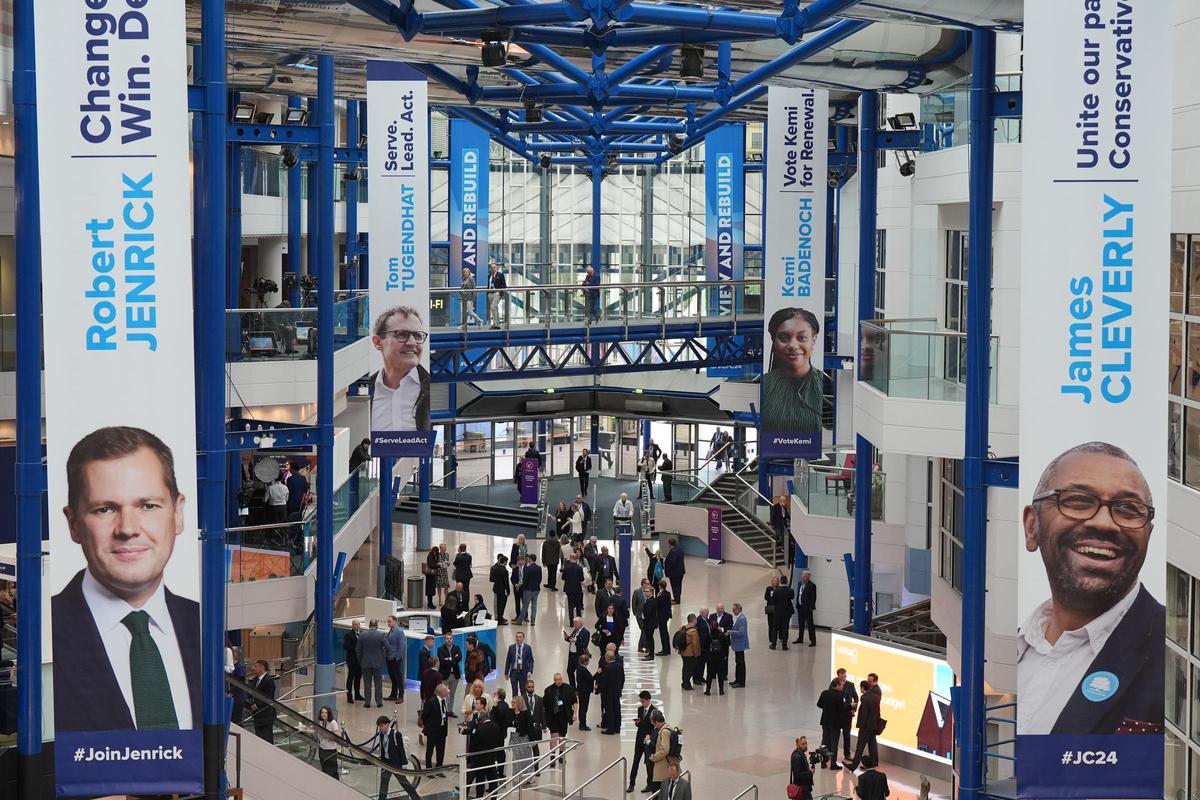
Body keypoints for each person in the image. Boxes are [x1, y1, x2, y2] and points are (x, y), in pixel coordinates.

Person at [51, 426, 201, 732]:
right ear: (73, 524)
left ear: (177, 514)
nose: (128, 528)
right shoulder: (45, 630)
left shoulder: (202, 624)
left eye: (148, 506)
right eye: (105, 509)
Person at [1017, 441, 1165, 735]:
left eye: (1128, 509)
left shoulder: (1176, 657)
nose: (1104, 523)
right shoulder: (1004, 652)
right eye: (1078, 501)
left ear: (1148, 534)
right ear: (1032, 526)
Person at [369, 305, 432, 433]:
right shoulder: (364, 392)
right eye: (402, 334)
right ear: (378, 342)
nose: (412, 342)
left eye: (418, 336)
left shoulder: (431, 389)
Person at [762, 307, 823, 434]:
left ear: (814, 340)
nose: (793, 346)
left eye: (802, 337)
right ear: (774, 341)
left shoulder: (827, 385)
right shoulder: (764, 385)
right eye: (783, 337)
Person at [371, 716, 420, 800]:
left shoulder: (396, 734)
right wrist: (380, 761)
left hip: (396, 764)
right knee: (384, 783)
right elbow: (383, 749)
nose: (380, 728)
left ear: (387, 724)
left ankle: (416, 798)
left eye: (381, 726)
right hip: (386, 763)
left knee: (404, 783)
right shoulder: (381, 735)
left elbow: (401, 749)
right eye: (379, 726)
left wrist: (404, 764)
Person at [846, 674, 882, 771]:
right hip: (873, 726)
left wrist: (861, 726)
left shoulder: (865, 698)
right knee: (872, 744)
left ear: (862, 688)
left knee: (860, 747)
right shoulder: (875, 696)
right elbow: (877, 712)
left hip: (865, 727)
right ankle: (873, 763)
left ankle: (853, 766)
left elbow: (864, 714)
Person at [627, 690, 657, 793]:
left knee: (649, 764)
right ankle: (631, 784)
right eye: (641, 701)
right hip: (639, 740)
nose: (642, 703)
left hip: (648, 742)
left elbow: (656, 727)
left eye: (643, 701)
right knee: (635, 761)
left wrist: (650, 738)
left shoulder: (654, 711)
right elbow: (641, 724)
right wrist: (637, 723)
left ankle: (650, 785)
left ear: (648, 700)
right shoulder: (640, 709)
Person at [818, 677, 848, 769]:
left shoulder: (824, 693)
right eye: (842, 685)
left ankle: (823, 762)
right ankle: (833, 764)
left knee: (824, 742)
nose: (843, 686)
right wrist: (850, 707)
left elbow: (819, 704)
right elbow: (842, 709)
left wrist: (827, 708)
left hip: (825, 721)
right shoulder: (839, 696)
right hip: (835, 723)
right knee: (834, 743)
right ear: (837, 685)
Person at [543, 672, 578, 750]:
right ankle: (552, 754)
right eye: (557, 680)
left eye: (560, 679)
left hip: (564, 716)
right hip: (553, 717)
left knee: (562, 736)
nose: (559, 681)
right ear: (554, 680)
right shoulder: (548, 690)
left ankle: (561, 754)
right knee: (554, 736)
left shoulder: (569, 688)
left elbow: (574, 701)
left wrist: (575, 713)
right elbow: (544, 705)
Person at [419, 682, 450, 769]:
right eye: (445, 690)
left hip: (442, 729)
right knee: (430, 750)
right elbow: (424, 715)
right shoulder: (431, 702)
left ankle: (439, 767)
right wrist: (428, 726)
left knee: (441, 750)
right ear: (440, 692)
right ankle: (428, 768)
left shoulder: (445, 700)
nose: (447, 691)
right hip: (433, 730)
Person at [357, 619, 387, 708]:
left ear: (369, 625)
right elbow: (387, 647)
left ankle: (367, 702)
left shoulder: (362, 635)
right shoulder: (381, 635)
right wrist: (383, 658)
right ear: (376, 625)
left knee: (367, 683)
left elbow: (358, 650)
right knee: (378, 683)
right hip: (378, 664)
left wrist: (361, 661)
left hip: (365, 663)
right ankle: (379, 702)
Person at [647, 712, 681, 791]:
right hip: (669, 763)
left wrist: (654, 757)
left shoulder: (664, 732)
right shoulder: (669, 728)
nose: (652, 724)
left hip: (663, 767)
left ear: (656, 721)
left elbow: (664, 750)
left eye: (652, 722)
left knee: (658, 792)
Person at [247, 659, 277, 743]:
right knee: (259, 738)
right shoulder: (255, 680)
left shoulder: (269, 681)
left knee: (266, 738)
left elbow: (269, 698)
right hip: (257, 715)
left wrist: (257, 705)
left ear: (262, 668)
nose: (253, 668)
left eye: (256, 667)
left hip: (266, 715)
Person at [597, 651, 625, 734]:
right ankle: (617, 727)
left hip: (608, 693)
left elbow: (604, 682)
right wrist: (620, 688)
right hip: (617, 692)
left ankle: (611, 729)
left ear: (606, 658)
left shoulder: (606, 668)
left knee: (609, 711)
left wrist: (599, 690)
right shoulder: (620, 666)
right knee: (617, 710)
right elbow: (622, 679)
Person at [509, 695, 536, 777]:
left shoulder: (526, 713)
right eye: (512, 702)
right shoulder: (510, 713)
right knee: (516, 758)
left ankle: (529, 777)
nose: (512, 704)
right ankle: (517, 776)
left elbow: (530, 727)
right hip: (514, 739)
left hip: (524, 738)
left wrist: (532, 740)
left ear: (519, 703)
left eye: (514, 702)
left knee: (526, 758)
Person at [704, 613, 730, 695]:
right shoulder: (722, 635)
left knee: (709, 674)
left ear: (710, 627)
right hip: (720, 657)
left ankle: (708, 690)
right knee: (720, 674)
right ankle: (721, 690)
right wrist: (725, 655)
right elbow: (726, 646)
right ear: (718, 626)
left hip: (711, 657)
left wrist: (706, 655)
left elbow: (705, 646)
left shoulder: (708, 635)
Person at [837, 667, 860, 762]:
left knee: (847, 735)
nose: (844, 678)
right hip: (837, 715)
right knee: (835, 735)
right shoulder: (835, 683)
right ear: (838, 676)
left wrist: (853, 709)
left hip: (847, 715)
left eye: (845, 676)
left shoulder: (850, 685)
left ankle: (847, 754)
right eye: (842, 676)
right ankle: (832, 754)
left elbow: (856, 698)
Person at [505, 630, 534, 699]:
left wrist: (530, 671)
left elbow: (531, 660)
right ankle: (515, 704)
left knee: (523, 691)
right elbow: (508, 661)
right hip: (514, 672)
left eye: (520, 637)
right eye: (517, 637)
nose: (518, 638)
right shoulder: (511, 647)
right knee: (514, 691)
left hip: (523, 672)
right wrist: (506, 673)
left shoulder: (527, 648)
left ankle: (523, 704)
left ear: (523, 638)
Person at [385, 615, 407, 703]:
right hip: (389, 657)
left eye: (389, 621)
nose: (388, 623)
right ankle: (393, 694)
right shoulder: (390, 631)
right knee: (392, 677)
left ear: (395, 621)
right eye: (387, 621)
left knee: (398, 677)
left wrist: (397, 657)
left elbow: (401, 646)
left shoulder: (399, 632)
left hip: (395, 658)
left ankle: (401, 695)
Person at [316, 705, 342, 780]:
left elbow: (336, 737)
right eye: (322, 712)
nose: (323, 714)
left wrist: (326, 736)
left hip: (330, 751)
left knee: (331, 771)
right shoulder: (321, 722)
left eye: (325, 713)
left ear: (329, 714)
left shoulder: (333, 723)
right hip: (322, 749)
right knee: (324, 769)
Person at [564, 617, 590, 688]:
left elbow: (585, 645)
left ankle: (579, 688)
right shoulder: (575, 630)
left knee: (579, 673)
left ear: (581, 623)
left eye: (576, 623)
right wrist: (567, 638)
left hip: (579, 656)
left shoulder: (586, 632)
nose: (574, 625)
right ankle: (572, 687)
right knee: (569, 671)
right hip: (571, 654)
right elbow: (571, 638)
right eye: (574, 623)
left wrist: (575, 642)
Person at [437, 632, 463, 706]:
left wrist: (448, 659)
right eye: (447, 638)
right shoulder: (440, 649)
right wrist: (454, 659)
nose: (449, 640)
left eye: (450, 638)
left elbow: (460, 657)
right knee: (442, 694)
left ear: (453, 639)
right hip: (444, 675)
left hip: (455, 675)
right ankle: (442, 709)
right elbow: (442, 662)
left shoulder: (457, 648)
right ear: (444, 639)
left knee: (452, 694)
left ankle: (449, 710)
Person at [517, 553, 543, 624]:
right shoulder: (539, 568)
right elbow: (540, 579)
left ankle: (519, 621)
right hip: (536, 589)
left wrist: (523, 588)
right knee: (534, 606)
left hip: (528, 590)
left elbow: (525, 580)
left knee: (525, 606)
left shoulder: (528, 569)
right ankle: (533, 621)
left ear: (531, 559)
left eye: (528, 558)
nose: (527, 560)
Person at [677, 614, 701, 690]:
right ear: (693, 620)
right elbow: (695, 643)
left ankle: (684, 683)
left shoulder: (683, 628)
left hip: (683, 651)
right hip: (690, 653)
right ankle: (687, 684)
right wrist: (697, 653)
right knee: (690, 669)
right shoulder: (693, 631)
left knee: (685, 668)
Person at [794, 570, 817, 646]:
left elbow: (813, 598)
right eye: (802, 576)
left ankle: (813, 640)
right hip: (800, 607)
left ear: (808, 577)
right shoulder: (799, 583)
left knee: (810, 625)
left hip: (807, 609)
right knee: (801, 624)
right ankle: (800, 638)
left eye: (804, 576)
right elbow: (799, 594)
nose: (803, 577)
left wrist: (811, 608)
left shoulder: (812, 585)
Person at [772, 576, 795, 650]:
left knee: (775, 628)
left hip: (777, 612)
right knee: (785, 628)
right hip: (787, 612)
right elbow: (792, 597)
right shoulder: (790, 590)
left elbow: (773, 601)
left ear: (780, 582)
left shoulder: (776, 590)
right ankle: (784, 645)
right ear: (787, 581)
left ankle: (773, 645)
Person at [729, 602, 749, 688]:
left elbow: (741, 632)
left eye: (734, 609)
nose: (733, 611)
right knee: (738, 663)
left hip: (740, 644)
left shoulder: (741, 619)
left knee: (740, 664)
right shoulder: (739, 617)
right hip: (738, 645)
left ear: (738, 609)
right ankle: (737, 679)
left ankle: (741, 682)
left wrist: (730, 632)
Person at [344, 619, 364, 703]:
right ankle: (349, 696)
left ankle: (357, 694)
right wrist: (357, 647)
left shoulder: (362, 634)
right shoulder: (349, 635)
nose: (357, 626)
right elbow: (346, 646)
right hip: (352, 660)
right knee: (350, 678)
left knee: (358, 677)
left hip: (360, 660)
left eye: (358, 624)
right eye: (356, 624)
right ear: (352, 625)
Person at [562, 554, 586, 623]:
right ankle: (579, 621)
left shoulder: (566, 568)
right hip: (577, 589)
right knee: (578, 605)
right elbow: (582, 579)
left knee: (570, 606)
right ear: (576, 559)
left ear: (570, 558)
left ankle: (571, 622)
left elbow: (563, 577)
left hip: (569, 589)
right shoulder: (580, 568)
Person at [637, 582, 658, 658]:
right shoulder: (649, 600)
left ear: (651, 592)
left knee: (650, 639)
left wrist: (645, 621)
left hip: (649, 624)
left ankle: (651, 655)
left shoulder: (651, 601)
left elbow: (648, 614)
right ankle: (650, 654)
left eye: (647, 591)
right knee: (649, 639)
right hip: (650, 623)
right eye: (645, 591)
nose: (645, 593)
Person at [789, 736, 814, 800]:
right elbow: (797, 775)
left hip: (803, 788)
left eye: (806, 743)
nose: (805, 745)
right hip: (802, 789)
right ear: (797, 745)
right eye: (803, 744)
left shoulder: (800, 754)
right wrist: (810, 773)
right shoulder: (797, 757)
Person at [575, 653, 595, 731]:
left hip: (581, 690)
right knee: (584, 708)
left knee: (582, 708)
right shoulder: (583, 670)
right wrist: (597, 673)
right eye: (588, 660)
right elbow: (591, 679)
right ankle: (583, 724)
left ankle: (582, 724)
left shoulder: (579, 668)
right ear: (585, 662)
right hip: (584, 691)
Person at [490, 553, 511, 625]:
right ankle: (500, 619)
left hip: (496, 588)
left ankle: (499, 618)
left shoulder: (495, 568)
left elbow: (492, 579)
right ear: (504, 562)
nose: (507, 563)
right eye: (506, 562)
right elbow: (506, 583)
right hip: (502, 590)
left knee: (498, 604)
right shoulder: (505, 571)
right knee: (502, 605)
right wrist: (508, 591)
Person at [664, 537, 685, 605]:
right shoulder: (680, 549)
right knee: (678, 586)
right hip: (680, 572)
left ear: (669, 544)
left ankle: (677, 600)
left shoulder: (673, 551)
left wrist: (667, 570)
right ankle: (677, 598)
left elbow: (672, 563)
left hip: (674, 573)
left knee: (675, 586)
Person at [655, 581, 674, 655]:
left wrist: (657, 597)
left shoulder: (661, 596)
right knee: (665, 632)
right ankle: (667, 649)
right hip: (666, 615)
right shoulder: (668, 593)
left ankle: (665, 650)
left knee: (663, 633)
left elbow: (657, 604)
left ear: (660, 586)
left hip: (661, 616)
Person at [487, 261, 508, 328]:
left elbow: (504, 285)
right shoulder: (489, 276)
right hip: (490, 293)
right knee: (494, 309)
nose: (493, 269)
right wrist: (488, 292)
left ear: (497, 268)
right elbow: (488, 285)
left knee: (493, 307)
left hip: (497, 293)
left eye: (494, 267)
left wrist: (500, 293)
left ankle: (495, 324)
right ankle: (496, 324)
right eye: (492, 268)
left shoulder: (500, 275)